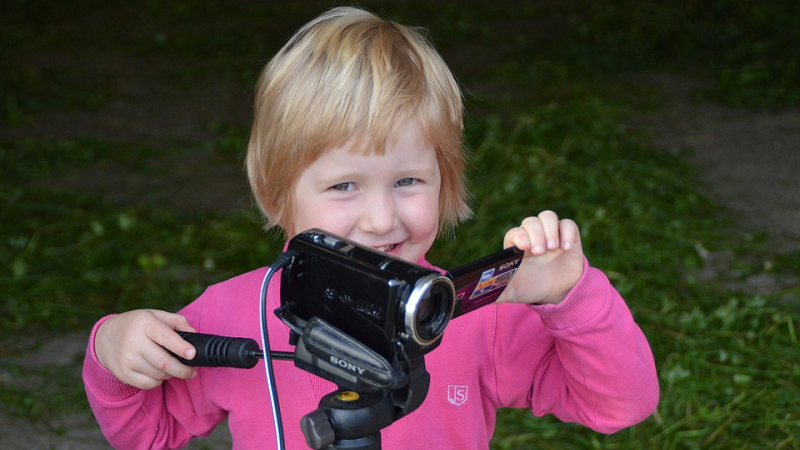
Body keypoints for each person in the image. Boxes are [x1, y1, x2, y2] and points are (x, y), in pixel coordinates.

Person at [83, 6, 659, 450]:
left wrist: (570, 297)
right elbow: (146, 435)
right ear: (277, 195)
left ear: (446, 183)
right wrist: (110, 352)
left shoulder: (472, 314)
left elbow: (619, 405)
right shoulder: (231, 315)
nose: (382, 218)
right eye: (343, 186)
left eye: (409, 181)